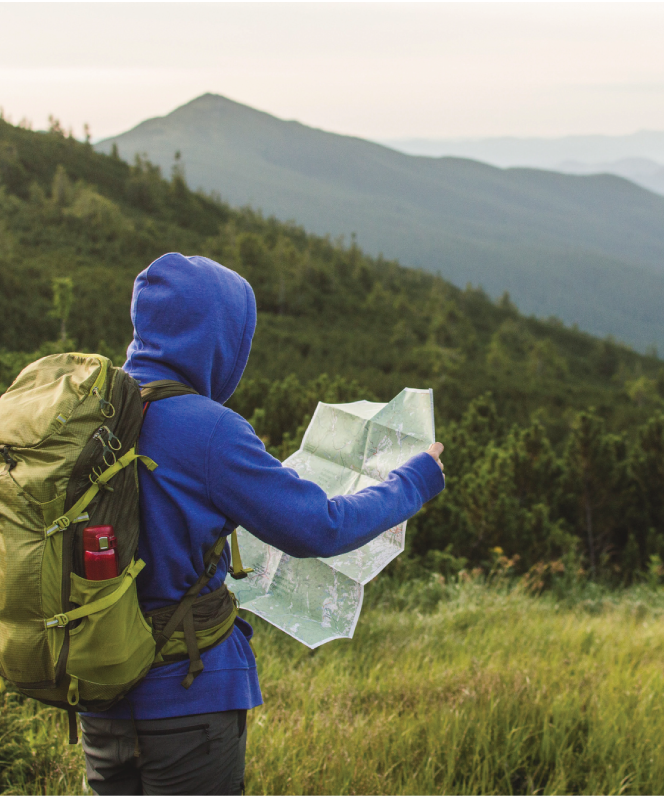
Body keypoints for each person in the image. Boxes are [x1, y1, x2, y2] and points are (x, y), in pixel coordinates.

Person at [78, 253, 447, 795]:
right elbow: (319, 529)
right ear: (218, 339)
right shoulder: (208, 430)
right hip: (187, 699)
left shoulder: (91, 411)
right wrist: (412, 482)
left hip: (99, 697)